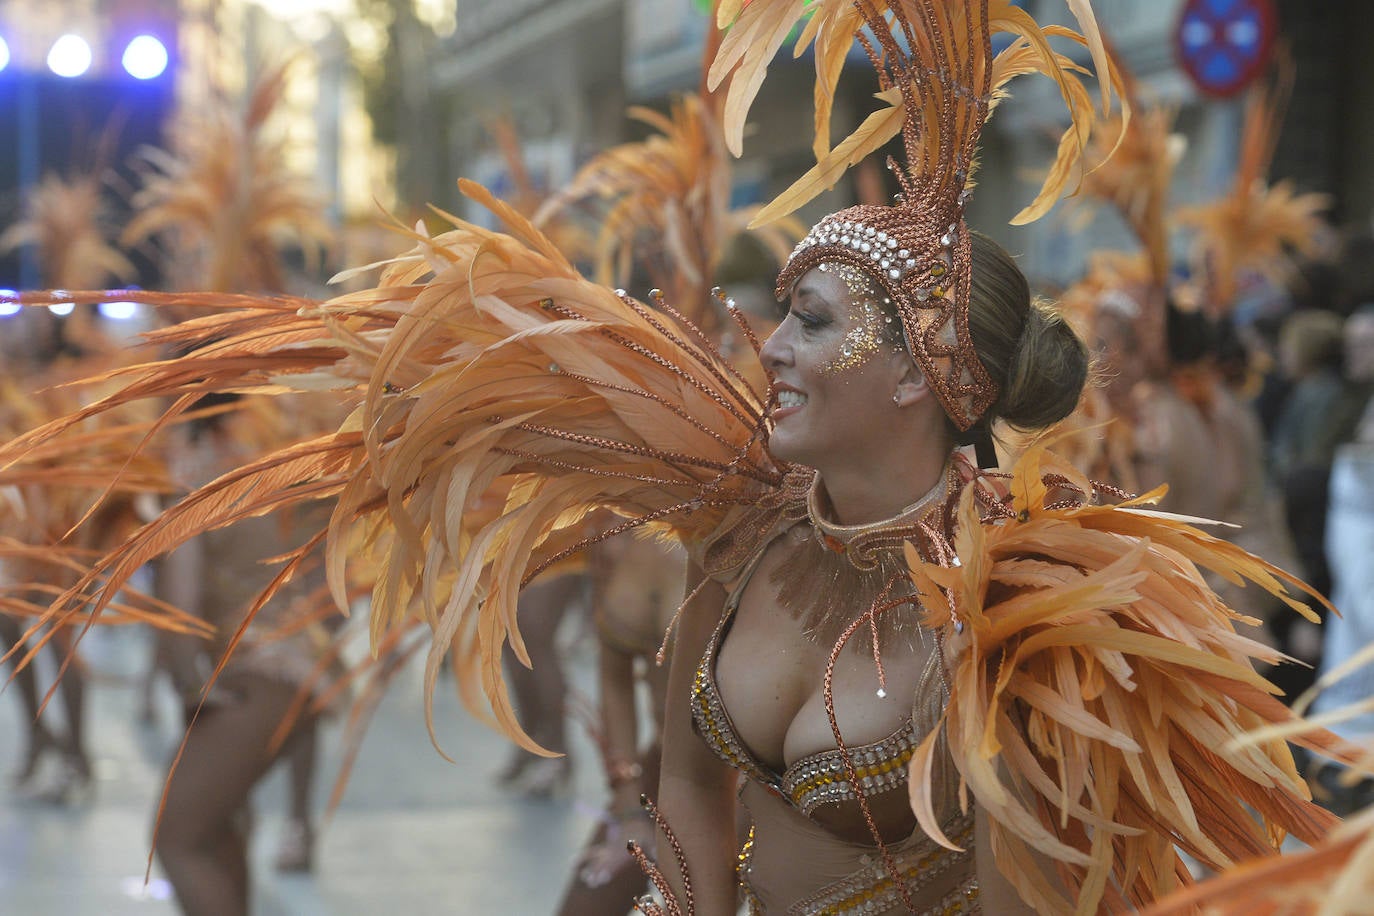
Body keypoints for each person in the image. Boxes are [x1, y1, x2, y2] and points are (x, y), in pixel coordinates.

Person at [151, 396, 333, 916]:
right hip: (310, 668)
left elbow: (178, 610)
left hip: (258, 674)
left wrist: (188, 687)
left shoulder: (197, 477)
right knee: (219, 826)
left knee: (179, 837)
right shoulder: (293, 457)